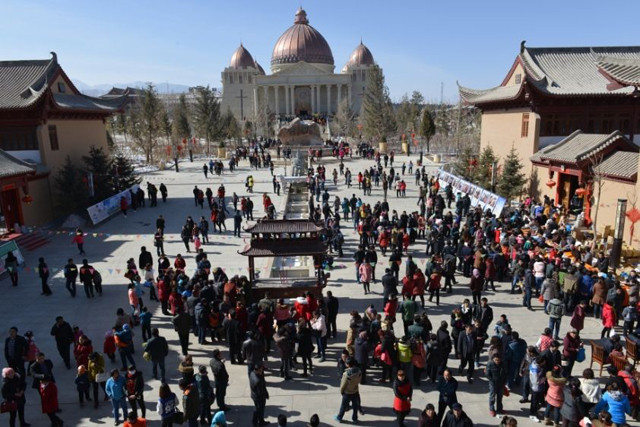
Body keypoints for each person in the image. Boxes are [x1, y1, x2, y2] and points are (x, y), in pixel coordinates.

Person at [334, 358, 362, 424]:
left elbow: (343, 385)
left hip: (347, 392)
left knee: (343, 406)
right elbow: (359, 380)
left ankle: (339, 417)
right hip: (355, 391)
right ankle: (355, 419)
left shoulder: (346, 374)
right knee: (355, 406)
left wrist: (341, 391)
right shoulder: (359, 371)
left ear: (348, 365)